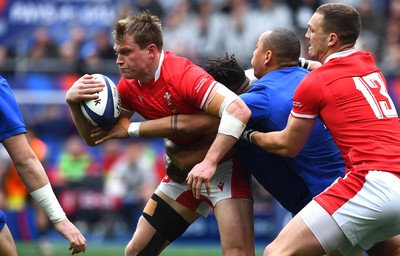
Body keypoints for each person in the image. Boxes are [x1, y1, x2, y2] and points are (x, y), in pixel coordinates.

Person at [65, 11, 253, 256]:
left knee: (238, 254)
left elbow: (239, 110)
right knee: (135, 252)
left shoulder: (183, 75)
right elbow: (95, 138)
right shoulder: (128, 86)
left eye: (126, 52)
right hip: (183, 175)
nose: (119, 61)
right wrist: (73, 104)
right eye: (117, 53)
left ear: (151, 51)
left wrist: (209, 162)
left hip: (224, 169)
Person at [243, 3, 400, 255]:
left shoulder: (314, 83)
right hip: (396, 185)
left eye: (312, 30)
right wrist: (300, 62)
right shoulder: (370, 67)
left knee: (276, 252)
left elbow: (288, 145)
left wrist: (250, 135)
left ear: (331, 39)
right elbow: (328, 70)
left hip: (368, 183)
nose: (306, 35)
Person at [0, 76, 86, 255]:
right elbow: (24, 162)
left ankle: (41, 237)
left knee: (37, 208)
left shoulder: (40, 148)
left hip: (27, 191)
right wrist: (60, 219)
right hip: (14, 190)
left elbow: (34, 166)